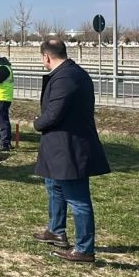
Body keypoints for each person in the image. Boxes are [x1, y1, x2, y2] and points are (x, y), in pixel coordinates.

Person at [31, 38, 110, 263]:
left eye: (42, 59)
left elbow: (53, 114)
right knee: (54, 187)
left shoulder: (65, 78)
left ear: (46, 56)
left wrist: (36, 123)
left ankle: (84, 249)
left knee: (77, 198)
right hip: (58, 147)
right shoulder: (72, 73)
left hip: (69, 147)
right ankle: (56, 230)